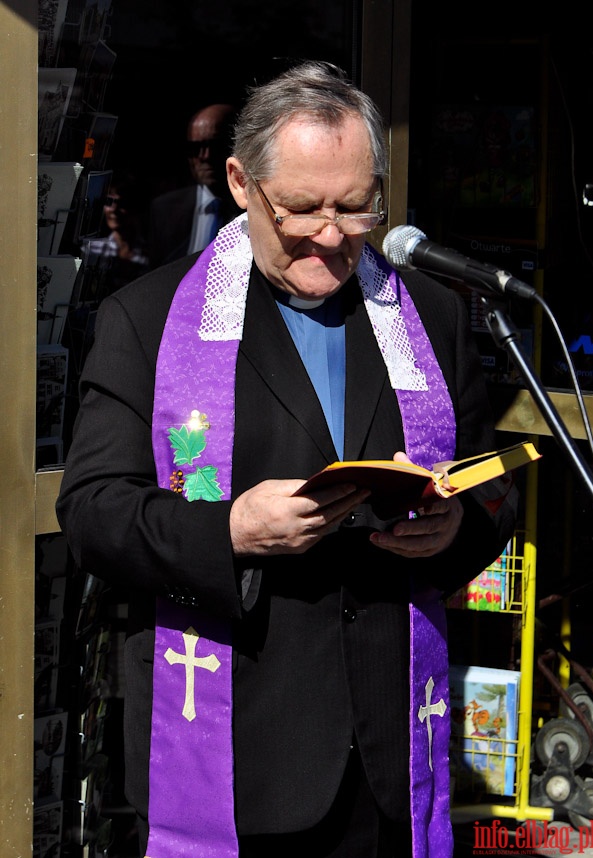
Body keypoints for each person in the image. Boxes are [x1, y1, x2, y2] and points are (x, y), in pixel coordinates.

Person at [56, 61, 519, 858]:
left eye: (356, 206)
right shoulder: (148, 320)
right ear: (241, 182)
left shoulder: (431, 316)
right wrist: (229, 529)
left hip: (391, 756)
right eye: (303, 208)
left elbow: (483, 486)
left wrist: (453, 529)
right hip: (239, 748)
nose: (333, 235)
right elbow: (93, 512)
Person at [147, 102, 240, 268]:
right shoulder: (164, 209)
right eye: (195, 148)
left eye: (215, 146)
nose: (205, 156)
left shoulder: (256, 210)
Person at [80, 170, 150, 297]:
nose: (113, 210)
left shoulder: (151, 250)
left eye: (122, 203)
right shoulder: (91, 250)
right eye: (109, 202)